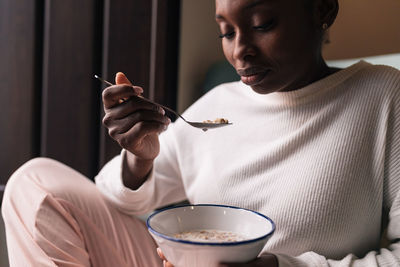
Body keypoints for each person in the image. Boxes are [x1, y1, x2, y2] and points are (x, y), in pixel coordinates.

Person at [2, 0, 400, 266]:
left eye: (262, 24)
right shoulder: (219, 104)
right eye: (226, 32)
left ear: (321, 9)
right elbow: (112, 199)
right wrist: (141, 157)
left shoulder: (383, 95)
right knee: (33, 183)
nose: (240, 50)